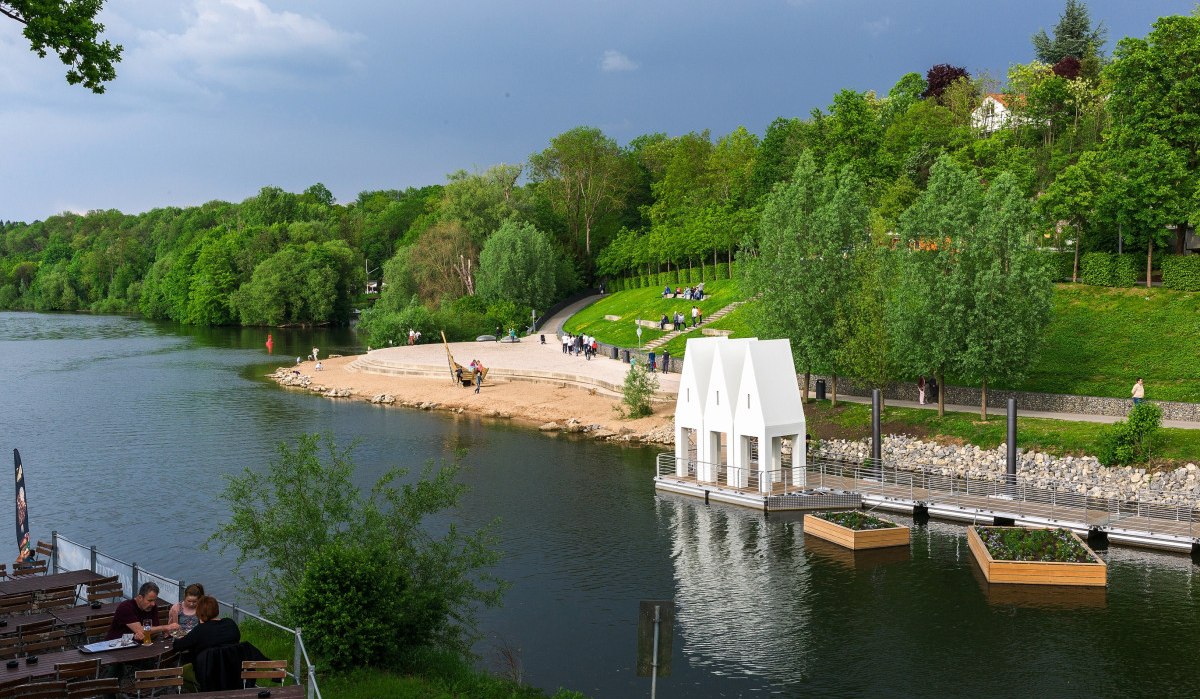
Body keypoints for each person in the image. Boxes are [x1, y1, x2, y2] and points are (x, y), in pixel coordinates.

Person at [106, 582, 179, 641]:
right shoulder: (126, 607)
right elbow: (141, 630)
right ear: (140, 597)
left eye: (154, 600)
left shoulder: (152, 607)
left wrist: (162, 631)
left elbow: (154, 630)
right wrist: (166, 627)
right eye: (150, 600)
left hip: (139, 644)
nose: (153, 604)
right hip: (116, 644)